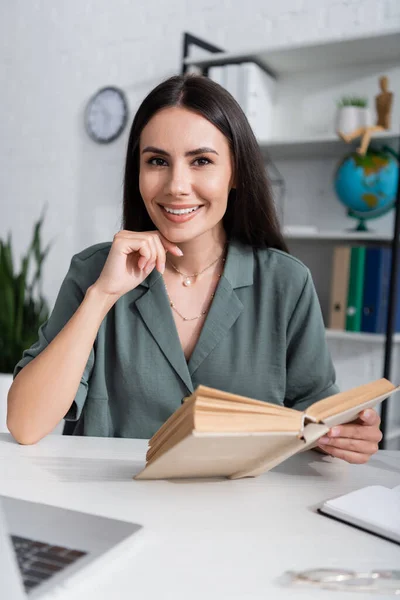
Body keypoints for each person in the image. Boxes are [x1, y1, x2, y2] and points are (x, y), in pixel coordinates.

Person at [7, 74, 382, 464]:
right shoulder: (94, 273)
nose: (177, 185)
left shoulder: (286, 283)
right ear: (137, 173)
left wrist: (346, 436)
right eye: (157, 161)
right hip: (113, 509)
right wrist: (102, 296)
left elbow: (318, 420)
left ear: (235, 171)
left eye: (201, 161)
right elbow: (25, 424)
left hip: (239, 515)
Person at [338, 75, 393, 155]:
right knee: (362, 128)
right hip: (378, 123)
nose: (382, 85)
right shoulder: (377, 97)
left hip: (385, 124)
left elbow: (387, 109)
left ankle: (363, 149)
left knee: (368, 130)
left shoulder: (389, 95)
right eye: (381, 83)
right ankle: (348, 137)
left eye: (384, 83)